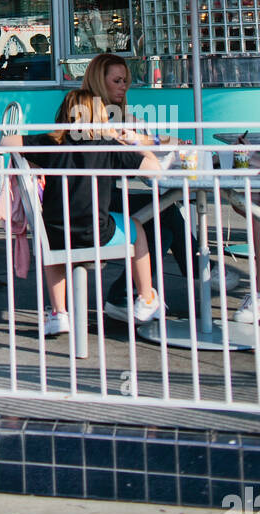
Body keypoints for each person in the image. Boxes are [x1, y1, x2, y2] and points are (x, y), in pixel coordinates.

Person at [24, 89, 165, 335]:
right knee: (137, 227)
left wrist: (34, 158)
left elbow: (6, 143)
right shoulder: (107, 146)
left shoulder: (50, 142)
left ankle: (59, 313)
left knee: (53, 244)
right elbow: (154, 169)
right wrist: (134, 141)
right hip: (97, 233)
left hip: (55, 232)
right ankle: (146, 297)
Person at [81, 52, 199, 318]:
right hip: (90, 202)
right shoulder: (98, 118)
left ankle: (124, 295)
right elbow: (141, 151)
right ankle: (203, 270)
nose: (123, 86)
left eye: (126, 81)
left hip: (95, 196)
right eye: (117, 81)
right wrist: (152, 142)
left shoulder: (104, 115)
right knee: (164, 209)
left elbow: (144, 143)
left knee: (163, 226)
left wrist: (151, 140)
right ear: (100, 81)